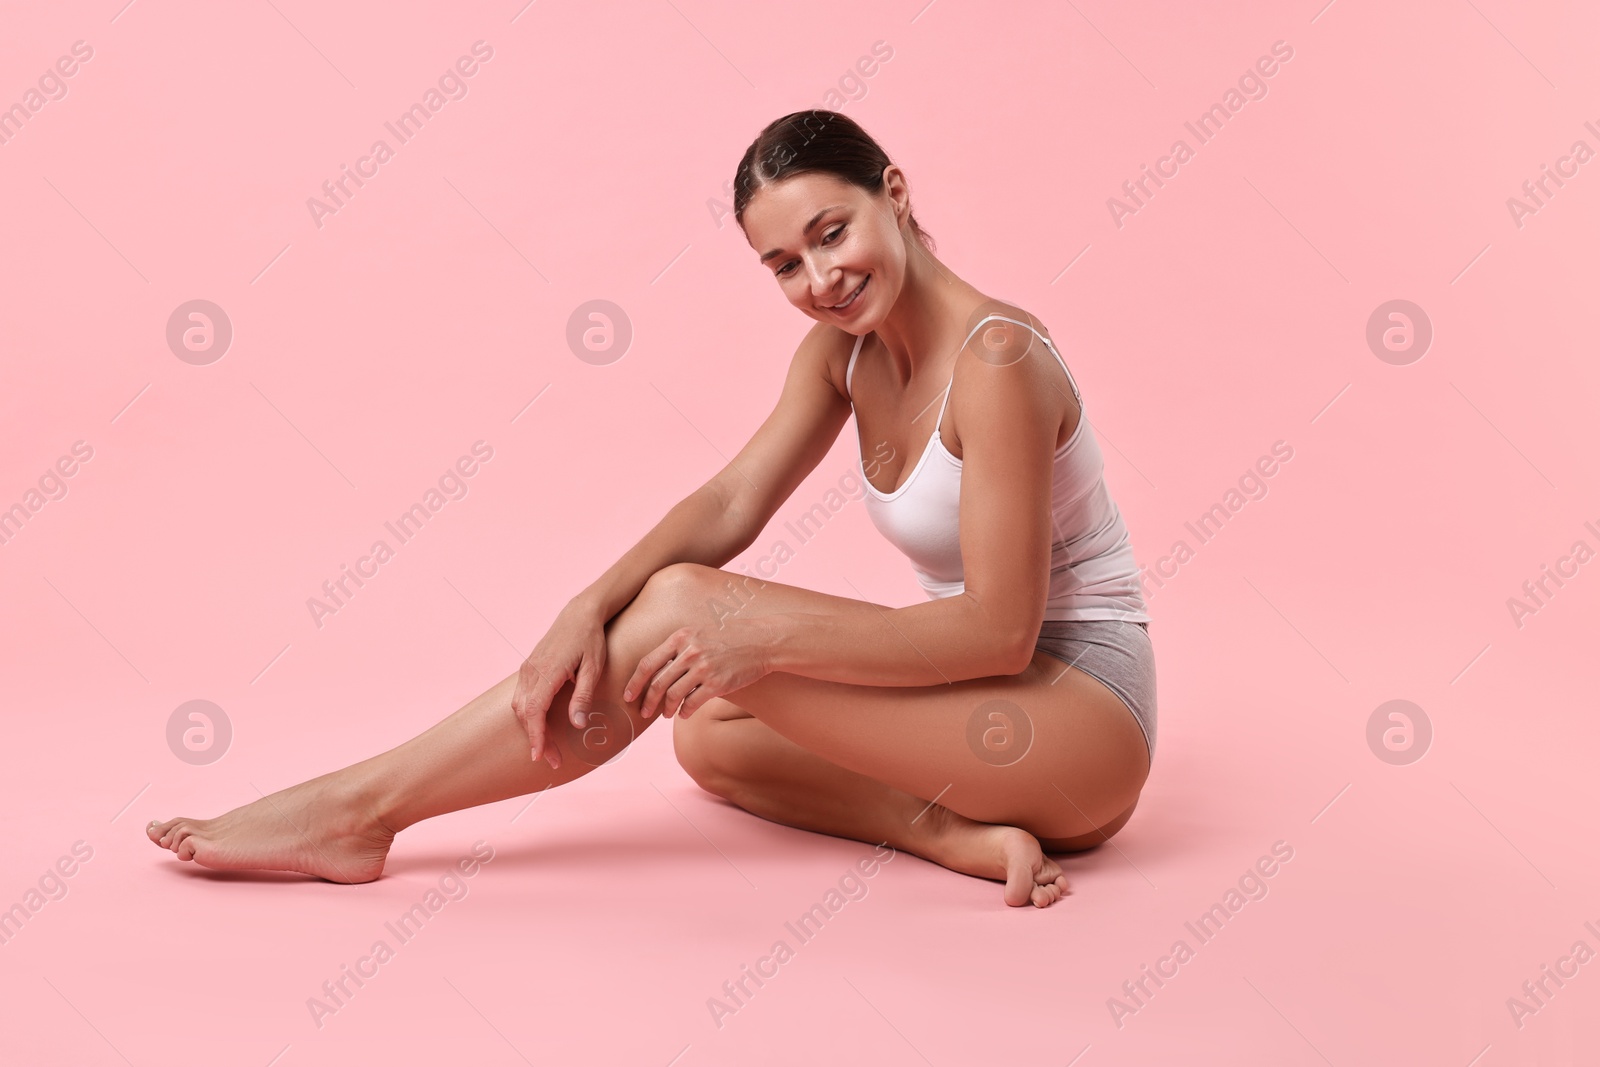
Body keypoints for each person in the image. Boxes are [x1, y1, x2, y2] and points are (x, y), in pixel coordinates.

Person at [146, 109, 1157, 909]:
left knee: (686, 619)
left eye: (830, 233)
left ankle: (356, 810)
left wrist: (754, 638)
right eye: (783, 265)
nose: (819, 279)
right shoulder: (843, 354)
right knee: (704, 725)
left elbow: (996, 629)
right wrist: (583, 605)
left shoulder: (997, 361)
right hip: (975, 712)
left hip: (1076, 717)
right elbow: (729, 500)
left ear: (893, 193)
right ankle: (945, 830)